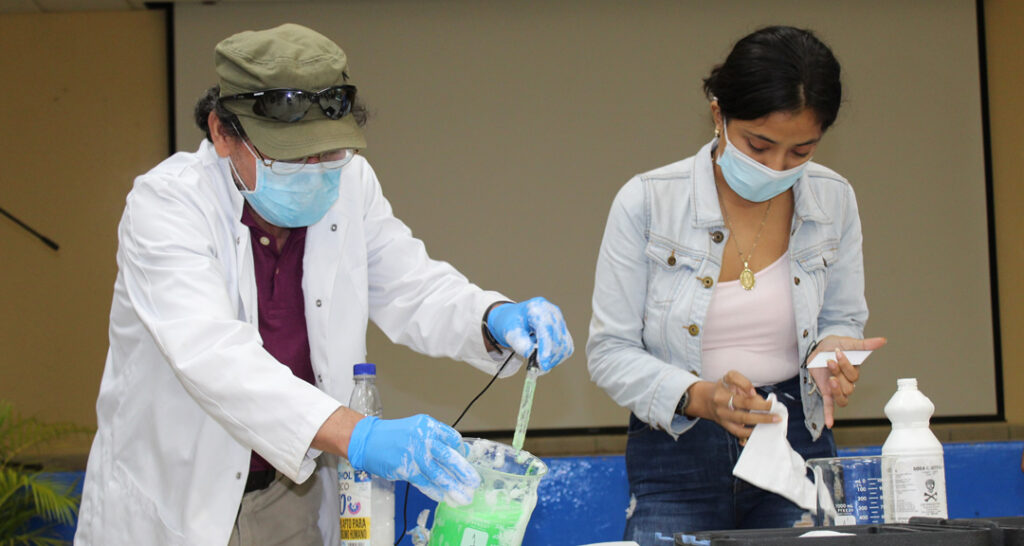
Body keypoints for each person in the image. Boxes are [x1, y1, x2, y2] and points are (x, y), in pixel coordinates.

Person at [74, 23, 573, 546]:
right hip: (175, 498)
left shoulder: (350, 184)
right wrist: (361, 435)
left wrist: (491, 318)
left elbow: (411, 284)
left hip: (289, 493)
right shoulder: (166, 206)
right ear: (223, 133)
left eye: (329, 153)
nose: (315, 172)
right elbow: (215, 358)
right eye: (289, 157)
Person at [586, 26, 886, 543]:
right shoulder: (648, 203)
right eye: (759, 145)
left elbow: (842, 317)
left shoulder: (834, 199)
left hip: (797, 442)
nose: (775, 168)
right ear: (718, 114)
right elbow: (609, 352)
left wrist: (834, 349)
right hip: (677, 449)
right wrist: (702, 397)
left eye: (801, 152)